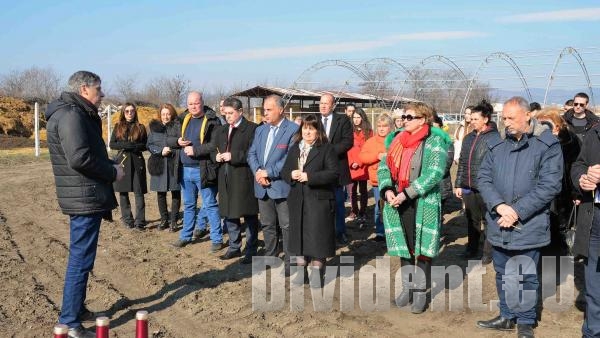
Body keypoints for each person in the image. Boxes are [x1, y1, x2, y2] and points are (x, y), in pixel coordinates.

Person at [476, 97, 563, 338]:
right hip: (499, 221)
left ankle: (525, 320)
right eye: (503, 118)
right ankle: (506, 315)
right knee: (502, 271)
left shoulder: (547, 145)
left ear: (527, 116)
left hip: (528, 224)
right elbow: (483, 177)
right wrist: (499, 205)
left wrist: (517, 211)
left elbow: (549, 186)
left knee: (525, 274)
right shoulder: (496, 144)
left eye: (511, 118)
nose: (505, 123)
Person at [46, 71, 124, 337]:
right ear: (84, 90)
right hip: (84, 198)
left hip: (84, 195)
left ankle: (76, 310)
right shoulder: (71, 115)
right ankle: (69, 322)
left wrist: (108, 162)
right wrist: (113, 173)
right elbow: (79, 159)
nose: (102, 95)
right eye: (98, 89)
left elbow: (86, 153)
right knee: (80, 260)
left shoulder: (74, 113)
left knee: (83, 258)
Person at [378, 102, 451, 314]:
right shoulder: (397, 140)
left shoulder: (435, 141)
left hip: (422, 201)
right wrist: (387, 189)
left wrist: (407, 193)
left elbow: (435, 173)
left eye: (410, 117)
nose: (404, 120)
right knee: (405, 247)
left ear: (423, 119)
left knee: (422, 250)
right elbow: (385, 166)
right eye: (404, 116)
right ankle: (406, 289)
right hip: (397, 201)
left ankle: (420, 292)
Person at [281, 114, 339, 286]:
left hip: (319, 201)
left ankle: (317, 272)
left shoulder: (326, 149)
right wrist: (290, 174)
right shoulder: (295, 148)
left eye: (311, 128)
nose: (307, 132)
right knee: (298, 238)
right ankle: (301, 271)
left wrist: (309, 177)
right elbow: (284, 171)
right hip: (297, 200)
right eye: (305, 128)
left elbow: (334, 174)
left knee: (317, 238)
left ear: (318, 131)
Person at [247, 95, 298, 274]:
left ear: (281, 110)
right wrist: (258, 173)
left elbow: (289, 159)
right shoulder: (261, 130)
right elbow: (251, 154)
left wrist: (268, 172)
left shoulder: (293, 130)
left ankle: (291, 261)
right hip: (262, 185)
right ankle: (271, 256)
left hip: (282, 186)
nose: (265, 113)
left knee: (287, 225)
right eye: (264, 110)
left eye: (269, 110)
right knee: (267, 224)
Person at [212, 97, 259, 264]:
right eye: (225, 113)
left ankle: (251, 249)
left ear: (240, 112)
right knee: (229, 214)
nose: (227, 117)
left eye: (231, 113)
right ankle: (234, 247)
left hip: (244, 178)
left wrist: (234, 156)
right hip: (225, 178)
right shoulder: (221, 130)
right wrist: (215, 156)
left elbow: (254, 153)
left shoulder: (252, 129)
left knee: (249, 215)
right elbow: (212, 148)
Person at [173, 91, 222, 249]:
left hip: (204, 169)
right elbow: (169, 137)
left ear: (202, 102)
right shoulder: (182, 119)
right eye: (190, 104)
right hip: (185, 169)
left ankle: (216, 239)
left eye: (196, 103)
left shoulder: (213, 121)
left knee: (210, 204)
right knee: (188, 205)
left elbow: (215, 144)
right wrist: (176, 141)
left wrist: (196, 150)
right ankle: (186, 236)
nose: (193, 106)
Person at [454, 100, 498, 263]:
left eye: (475, 119)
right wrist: (458, 184)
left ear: (485, 119)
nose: (471, 122)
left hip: (485, 188)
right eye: (470, 119)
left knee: (488, 220)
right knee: (472, 219)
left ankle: (488, 252)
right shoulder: (468, 138)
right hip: (468, 186)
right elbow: (463, 162)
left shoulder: (494, 138)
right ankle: (471, 249)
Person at [536, 108, 581, 255]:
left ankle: (561, 256)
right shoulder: (536, 140)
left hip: (563, 192)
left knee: (562, 226)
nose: (543, 127)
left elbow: (576, 167)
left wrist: (576, 193)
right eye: (540, 123)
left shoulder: (570, 140)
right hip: (541, 192)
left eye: (546, 123)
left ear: (557, 125)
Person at [571, 120, 600, 337]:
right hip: (594, 219)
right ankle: (592, 330)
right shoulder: (595, 133)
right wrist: (582, 178)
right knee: (594, 285)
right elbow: (578, 164)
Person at [318, 93, 353, 244]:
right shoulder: (314, 120)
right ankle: (324, 233)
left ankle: (340, 232)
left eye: (326, 103)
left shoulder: (343, 120)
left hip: (337, 169)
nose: (323, 106)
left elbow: (347, 142)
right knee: (321, 205)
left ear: (333, 106)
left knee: (338, 203)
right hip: (317, 170)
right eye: (321, 103)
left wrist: (328, 152)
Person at [110, 103, 148, 230]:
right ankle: (127, 219)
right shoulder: (118, 126)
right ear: (123, 112)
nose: (130, 113)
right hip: (122, 162)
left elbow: (145, 145)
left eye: (132, 111)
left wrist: (135, 146)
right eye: (127, 111)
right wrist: (125, 145)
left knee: (139, 192)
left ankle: (140, 221)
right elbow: (112, 144)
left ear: (135, 112)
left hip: (137, 162)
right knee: (123, 192)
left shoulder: (141, 127)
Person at [147, 103, 181, 231]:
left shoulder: (178, 127)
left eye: (168, 114)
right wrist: (160, 150)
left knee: (175, 192)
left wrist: (172, 149)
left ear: (172, 114)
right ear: (159, 115)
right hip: (159, 164)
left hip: (174, 163)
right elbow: (149, 145)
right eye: (163, 114)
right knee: (160, 193)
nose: (165, 116)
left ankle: (174, 221)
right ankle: (164, 219)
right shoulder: (154, 129)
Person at [359, 113, 393, 242]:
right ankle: (380, 232)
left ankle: (392, 232)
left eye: (384, 126)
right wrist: (377, 155)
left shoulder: (395, 139)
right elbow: (363, 157)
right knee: (379, 207)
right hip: (377, 181)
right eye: (379, 126)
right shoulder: (371, 141)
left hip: (393, 181)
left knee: (392, 206)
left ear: (390, 126)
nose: (381, 128)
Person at [346, 107, 373, 224]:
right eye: (354, 117)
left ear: (362, 118)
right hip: (351, 165)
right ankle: (354, 211)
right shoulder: (348, 131)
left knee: (363, 190)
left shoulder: (369, 132)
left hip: (363, 166)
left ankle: (363, 211)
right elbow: (347, 148)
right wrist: (352, 162)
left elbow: (369, 149)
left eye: (358, 117)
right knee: (351, 190)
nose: (356, 120)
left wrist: (360, 162)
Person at [432, 111, 455, 216]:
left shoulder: (447, 142)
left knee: (438, 214)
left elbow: (447, 163)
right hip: (427, 185)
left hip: (441, 184)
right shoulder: (426, 141)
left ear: (441, 127)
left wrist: (432, 174)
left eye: (436, 128)